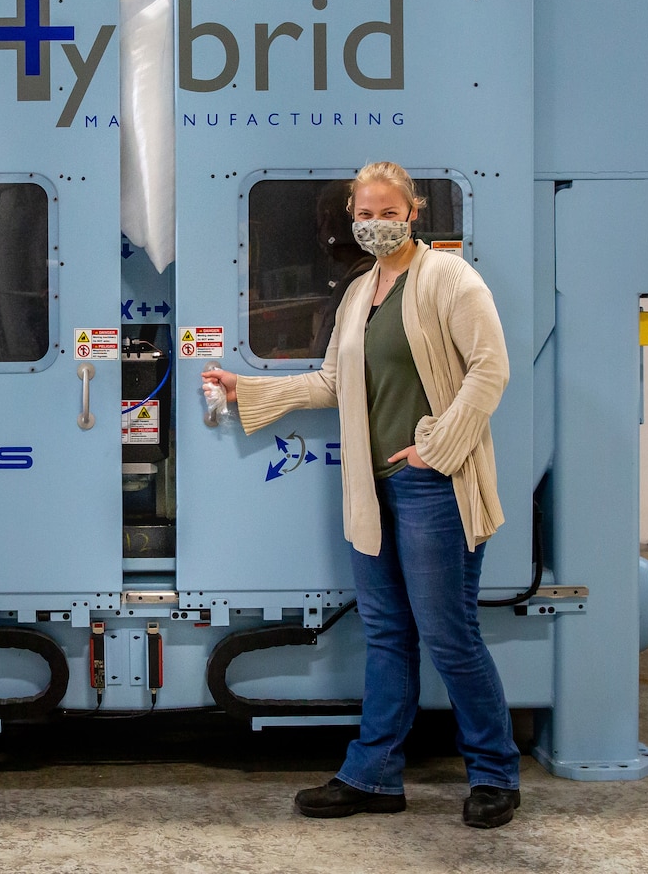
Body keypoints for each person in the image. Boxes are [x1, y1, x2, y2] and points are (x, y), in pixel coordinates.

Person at [202, 161, 522, 829]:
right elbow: (329, 383)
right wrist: (248, 390)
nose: (376, 223)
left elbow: (492, 368)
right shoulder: (359, 293)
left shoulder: (449, 280)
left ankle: (495, 774)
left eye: (388, 212)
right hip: (371, 485)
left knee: (448, 635)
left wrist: (436, 445)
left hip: (433, 481)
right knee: (386, 633)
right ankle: (374, 775)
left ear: (413, 213)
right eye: (365, 214)